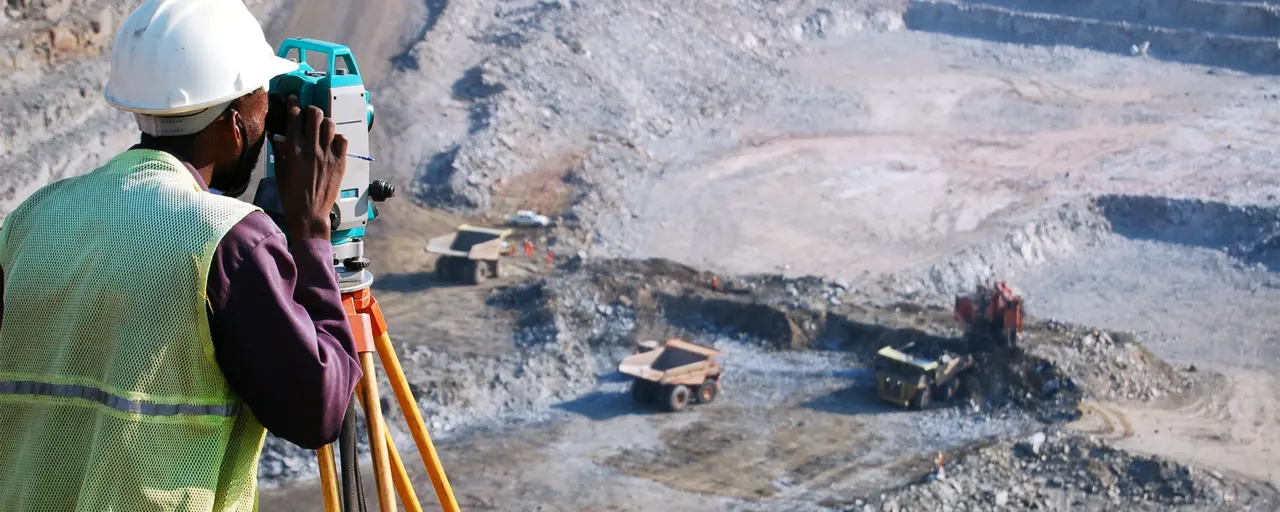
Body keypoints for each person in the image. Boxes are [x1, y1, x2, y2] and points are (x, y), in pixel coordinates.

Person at [0, 0, 362, 510]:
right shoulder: (227, 241)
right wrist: (309, 231)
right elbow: (319, 410)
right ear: (236, 123)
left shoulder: (34, 216)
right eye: (264, 103)